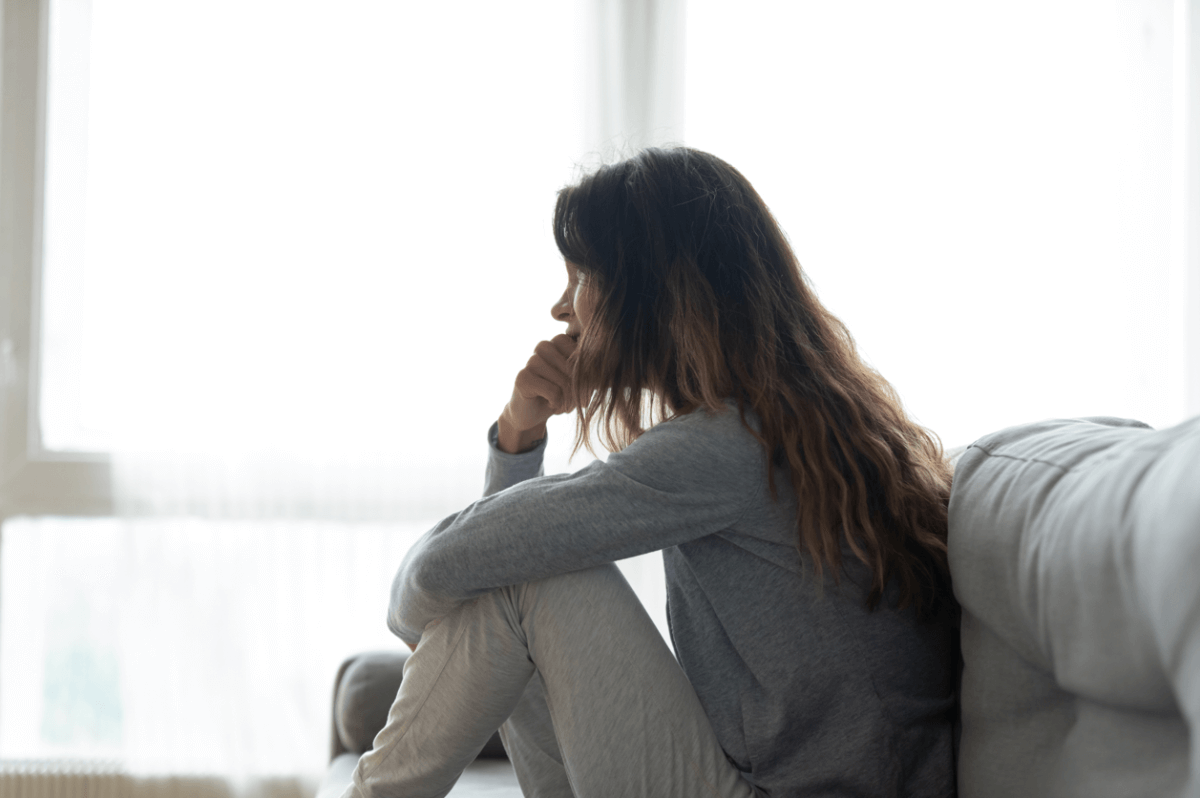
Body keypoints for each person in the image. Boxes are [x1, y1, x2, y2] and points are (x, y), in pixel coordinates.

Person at [342, 148, 959, 798]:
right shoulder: (785, 425)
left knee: (525, 578)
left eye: (581, 277)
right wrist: (520, 432)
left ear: (651, 295)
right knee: (520, 569)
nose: (562, 307)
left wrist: (425, 625)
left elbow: (443, 570)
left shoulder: (726, 448)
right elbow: (497, 552)